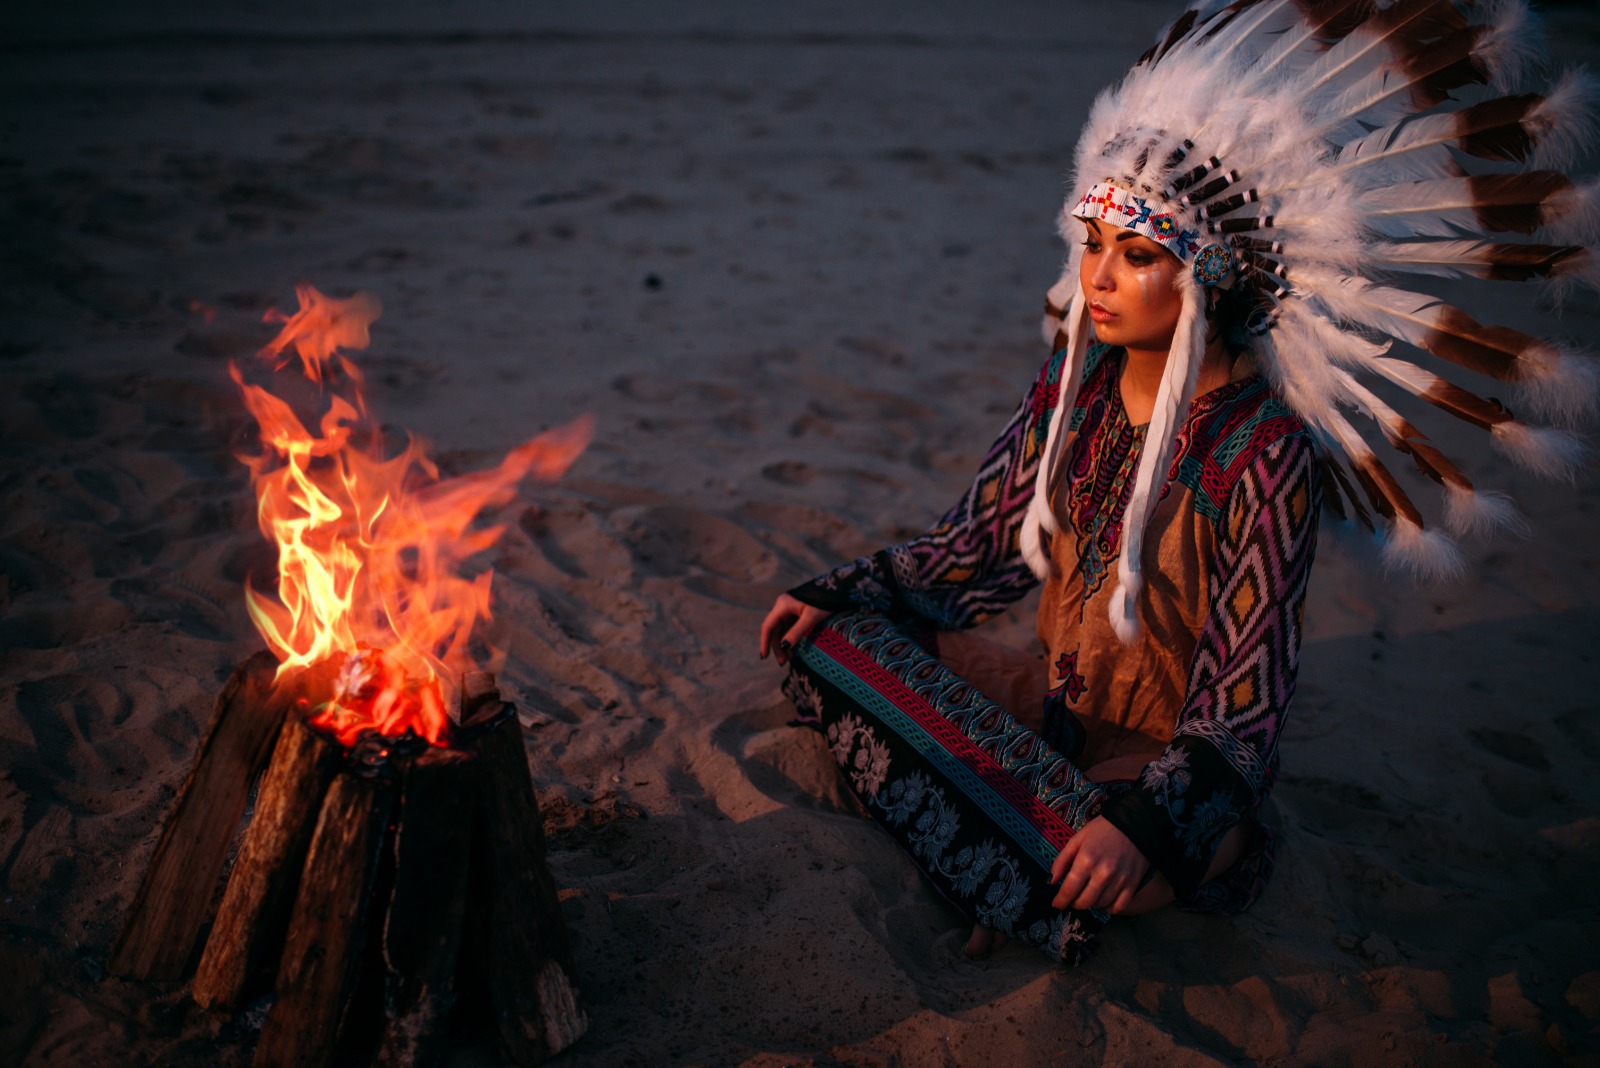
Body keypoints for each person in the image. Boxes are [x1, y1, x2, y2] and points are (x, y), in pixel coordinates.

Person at [759, 0, 1597, 965]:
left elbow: (1244, 705)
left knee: (1129, 852)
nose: (1099, 277)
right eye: (1095, 245)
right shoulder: (1073, 383)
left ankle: (1050, 858)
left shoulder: (1263, 451)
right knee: (830, 642)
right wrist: (845, 593)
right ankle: (1024, 858)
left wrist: (1146, 824)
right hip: (1050, 716)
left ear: (1206, 275)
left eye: (1139, 254)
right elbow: (974, 556)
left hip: (1165, 769)